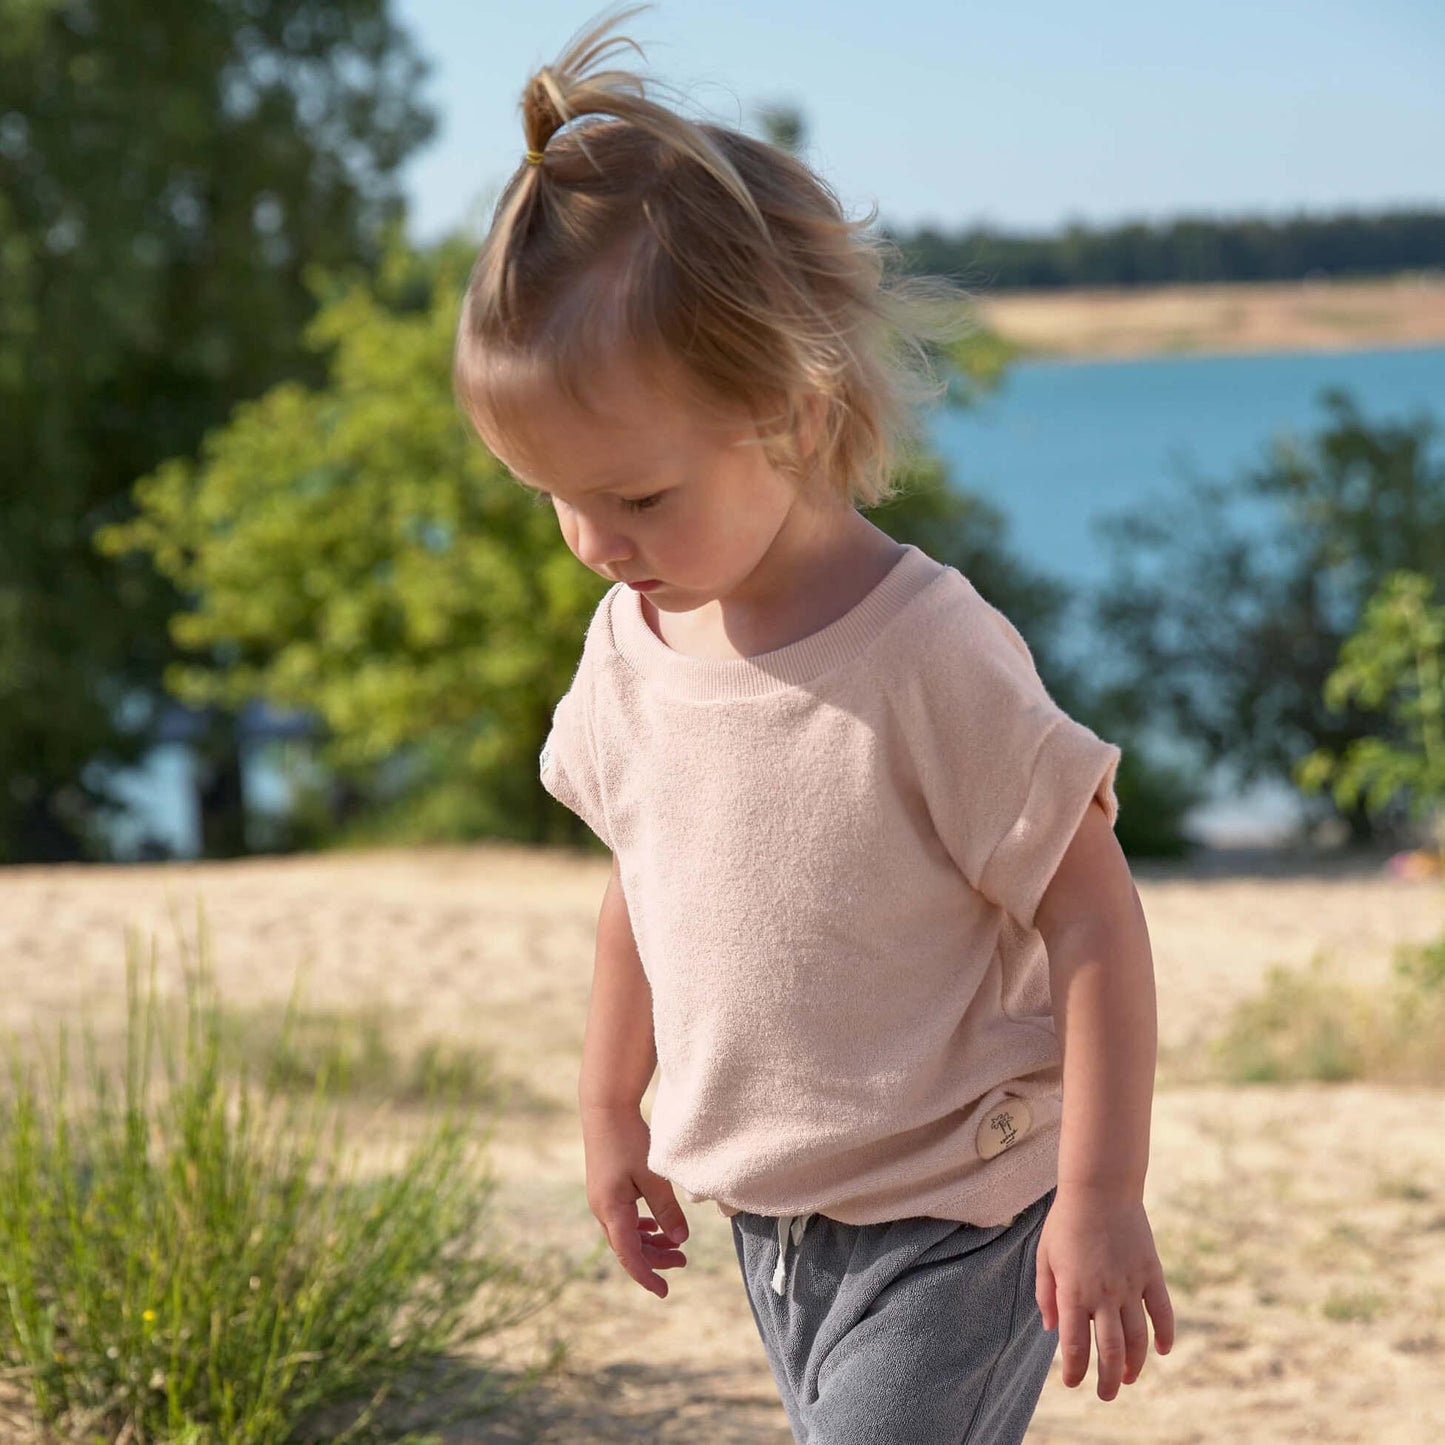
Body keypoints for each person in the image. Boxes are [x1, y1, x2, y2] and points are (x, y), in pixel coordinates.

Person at [453, 6, 1175, 1440]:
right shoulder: (629, 644)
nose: (593, 541)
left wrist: (1098, 1194)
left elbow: (1093, 916)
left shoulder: (926, 652)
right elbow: (639, 889)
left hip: (960, 1219)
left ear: (786, 409)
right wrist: (612, 1108)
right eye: (556, 496)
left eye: (638, 497)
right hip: (772, 1225)